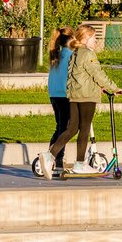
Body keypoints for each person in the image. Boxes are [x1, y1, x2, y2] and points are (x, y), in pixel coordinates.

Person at [38, 24, 122, 179]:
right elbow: (97, 73)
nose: (96, 42)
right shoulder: (88, 54)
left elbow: (75, 75)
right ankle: (80, 163)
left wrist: (78, 90)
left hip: (74, 96)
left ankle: (50, 155)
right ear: (86, 38)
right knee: (84, 129)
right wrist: (113, 88)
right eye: (94, 38)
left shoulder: (75, 53)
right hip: (86, 96)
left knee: (71, 129)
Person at [46, 27, 75, 172]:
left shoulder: (56, 54)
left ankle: (53, 155)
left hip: (54, 94)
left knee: (60, 127)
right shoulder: (71, 55)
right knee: (66, 128)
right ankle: (55, 157)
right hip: (64, 95)